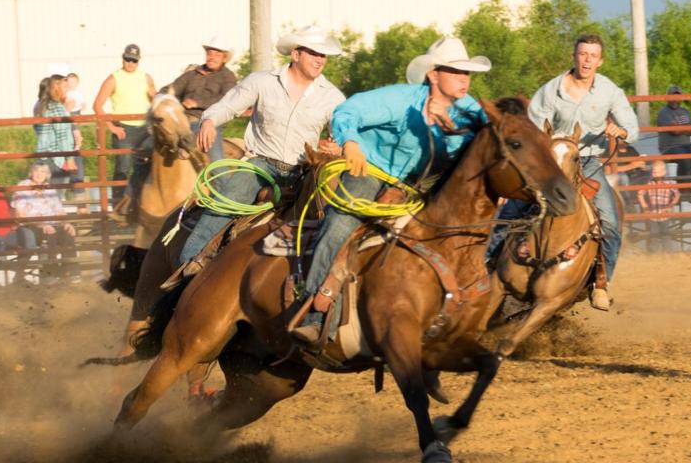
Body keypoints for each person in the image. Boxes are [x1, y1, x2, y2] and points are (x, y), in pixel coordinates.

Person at [291, 36, 491, 346]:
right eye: (455, 71)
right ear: (434, 75)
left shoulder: (471, 112)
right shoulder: (401, 99)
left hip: (418, 186)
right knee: (339, 225)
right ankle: (316, 315)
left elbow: (493, 139)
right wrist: (351, 142)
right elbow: (349, 110)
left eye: (466, 73)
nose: (464, 79)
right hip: (369, 172)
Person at [178, 25, 347, 271]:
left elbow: (344, 138)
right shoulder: (262, 81)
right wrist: (209, 120)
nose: (320, 59)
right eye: (314, 53)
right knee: (223, 207)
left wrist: (340, 149)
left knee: (337, 219)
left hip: (304, 171)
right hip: (261, 166)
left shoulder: (333, 97)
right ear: (296, 54)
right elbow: (228, 106)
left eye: (323, 55)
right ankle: (185, 274)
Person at [520, 33, 638, 311]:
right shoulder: (551, 90)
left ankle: (601, 283)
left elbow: (632, 129)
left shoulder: (610, 92)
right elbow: (532, 125)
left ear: (600, 60)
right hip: (551, 161)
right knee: (513, 208)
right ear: (574, 56)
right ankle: (491, 265)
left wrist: (619, 130)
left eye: (592, 56)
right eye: (582, 54)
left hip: (587, 162)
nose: (586, 60)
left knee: (610, 222)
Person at [93, 44, 156, 205]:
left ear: (138, 61)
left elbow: (155, 101)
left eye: (134, 60)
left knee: (146, 165)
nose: (130, 63)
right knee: (123, 168)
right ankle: (118, 206)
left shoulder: (146, 77)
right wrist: (111, 127)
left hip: (144, 129)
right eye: (127, 59)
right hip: (124, 129)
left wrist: (153, 99)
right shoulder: (114, 78)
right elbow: (98, 105)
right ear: (123, 58)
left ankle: (140, 204)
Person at [164, 35, 238, 163]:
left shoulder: (228, 77)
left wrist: (197, 103)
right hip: (183, 119)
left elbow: (226, 99)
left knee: (216, 163)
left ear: (224, 58)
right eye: (209, 53)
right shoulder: (192, 74)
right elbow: (173, 88)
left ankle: (223, 182)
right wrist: (162, 96)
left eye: (217, 54)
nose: (212, 57)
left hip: (209, 122)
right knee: (148, 144)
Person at [11, 160, 80, 283]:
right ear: (31, 173)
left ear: (47, 175)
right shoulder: (22, 187)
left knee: (67, 232)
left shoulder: (49, 189)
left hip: (52, 224)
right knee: (49, 234)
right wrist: (40, 224)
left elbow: (59, 210)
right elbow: (19, 214)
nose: (39, 174)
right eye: (36, 171)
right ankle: (49, 274)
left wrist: (66, 223)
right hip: (31, 225)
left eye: (43, 172)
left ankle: (71, 272)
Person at [34, 71, 83, 187]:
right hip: (56, 158)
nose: (67, 90)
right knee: (55, 194)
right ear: (57, 88)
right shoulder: (57, 108)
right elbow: (62, 136)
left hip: (43, 154)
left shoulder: (42, 106)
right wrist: (69, 158)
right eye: (65, 87)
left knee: (46, 193)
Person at [655, 85, 691, 178]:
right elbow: (675, 131)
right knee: (685, 157)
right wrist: (687, 128)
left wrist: (681, 128)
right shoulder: (663, 112)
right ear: (667, 97)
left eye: (678, 96)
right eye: (673, 96)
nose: (675, 99)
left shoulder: (685, 111)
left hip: (687, 146)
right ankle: (682, 186)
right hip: (669, 148)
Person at [636, 160, 680, 252]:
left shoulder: (669, 184)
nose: (655, 174)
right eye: (654, 171)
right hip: (652, 215)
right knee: (654, 235)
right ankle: (654, 254)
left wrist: (670, 206)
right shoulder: (649, 183)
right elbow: (640, 194)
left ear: (664, 172)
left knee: (665, 235)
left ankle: (668, 253)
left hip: (665, 214)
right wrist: (645, 207)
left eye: (657, 171)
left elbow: (677, 194)